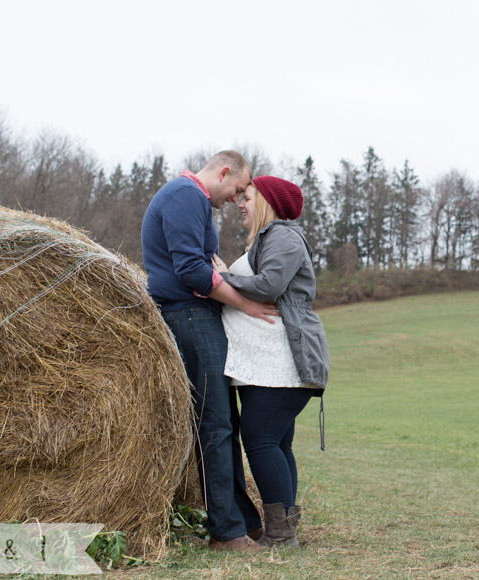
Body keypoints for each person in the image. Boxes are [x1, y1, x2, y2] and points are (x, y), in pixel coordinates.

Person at [141, 151, 276, 553]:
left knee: (224, 423)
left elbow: (203, 264)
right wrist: (245, 303)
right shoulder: (186, 195)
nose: (236, 200)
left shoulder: (191, 199)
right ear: (222, 172)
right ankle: (226, 532)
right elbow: (190, 270)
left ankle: (243, 522)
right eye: (236, 189)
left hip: (199, 316)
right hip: (189, 316)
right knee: (214, 426)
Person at [212, 175, 329, 548]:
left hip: (279, 363)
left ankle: (280, 534)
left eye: (248, 197)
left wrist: (220, 277)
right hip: (266, 363)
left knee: (260, 440)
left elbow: (269, 285)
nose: (241, 204)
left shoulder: (282, 236)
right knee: (277, 444)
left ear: (267, 201)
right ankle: (286, 529)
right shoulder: (269, 239)